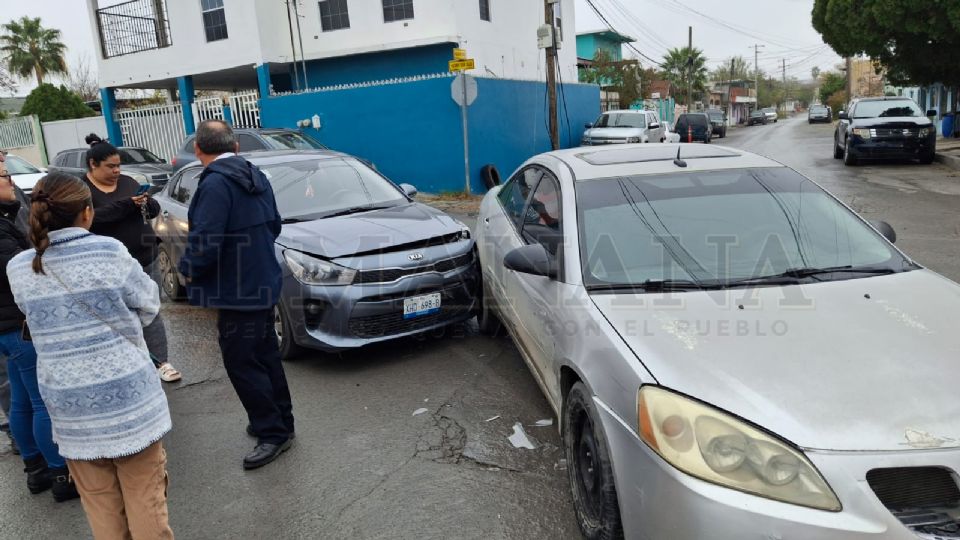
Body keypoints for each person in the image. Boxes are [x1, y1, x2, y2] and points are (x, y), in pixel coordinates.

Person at [7, 172, 173, 539]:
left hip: (69, 407)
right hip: (129, 403)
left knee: (100, 507)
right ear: (86, 212)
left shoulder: (18, 268)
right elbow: (149, 305)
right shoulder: (108, 251)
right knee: (145, 499)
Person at [178, 119, 294, 470]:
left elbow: (206, 241)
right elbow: (275, 223)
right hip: (261, 281)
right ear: (236, 147)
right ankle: (280, 424)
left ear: (198, 149)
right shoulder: (254, 174)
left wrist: (189, 268)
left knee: (243, 363)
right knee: (265, 356)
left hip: (237, 290)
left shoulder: (215, 184)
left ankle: (271, 432)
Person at [0, 164, 80, 501]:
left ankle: (36, 469)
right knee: (43, 402)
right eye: (4, 176)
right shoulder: (1, 231)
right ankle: (60, 474)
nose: (11, 181)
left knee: (21, 399)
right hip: (16, 325)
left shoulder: (5, 220)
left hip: (8, 329)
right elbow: (20, 274)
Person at [81, 134, 182, 383]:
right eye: (111, 166)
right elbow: (94, 218)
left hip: (144, 257)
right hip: (106, 266)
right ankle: (127, 363)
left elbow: (150, 211)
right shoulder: (82, 189)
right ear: (93, 164)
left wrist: (148, 204)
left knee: (150, 310)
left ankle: (161, 362)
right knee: (115, 316)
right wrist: (128, 204)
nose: (117, 171)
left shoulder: (127, 182)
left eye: (118, 166)